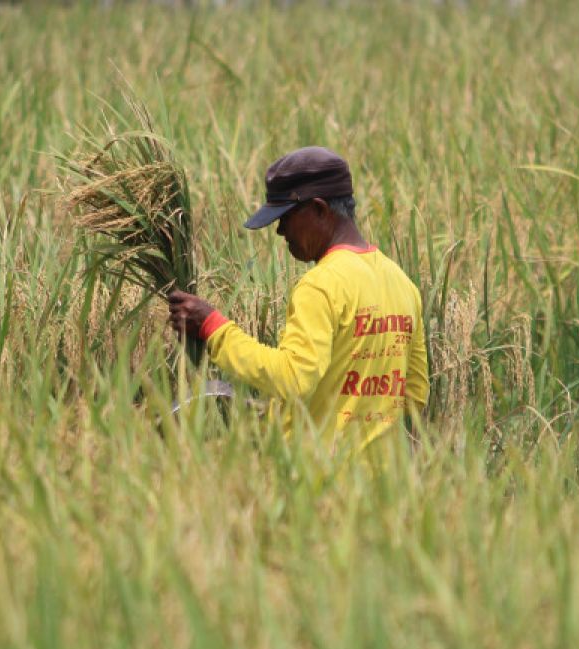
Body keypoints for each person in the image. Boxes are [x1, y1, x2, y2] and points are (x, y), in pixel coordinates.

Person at [167, 146, 428, 451]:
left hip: (319, 481)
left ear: (319, 209)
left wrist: (214, 327)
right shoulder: (401, 283)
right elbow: (415, 392)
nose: (280, 231)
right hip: (384, 486)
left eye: (286, 217)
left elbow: (294, 377)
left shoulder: (321, 286)